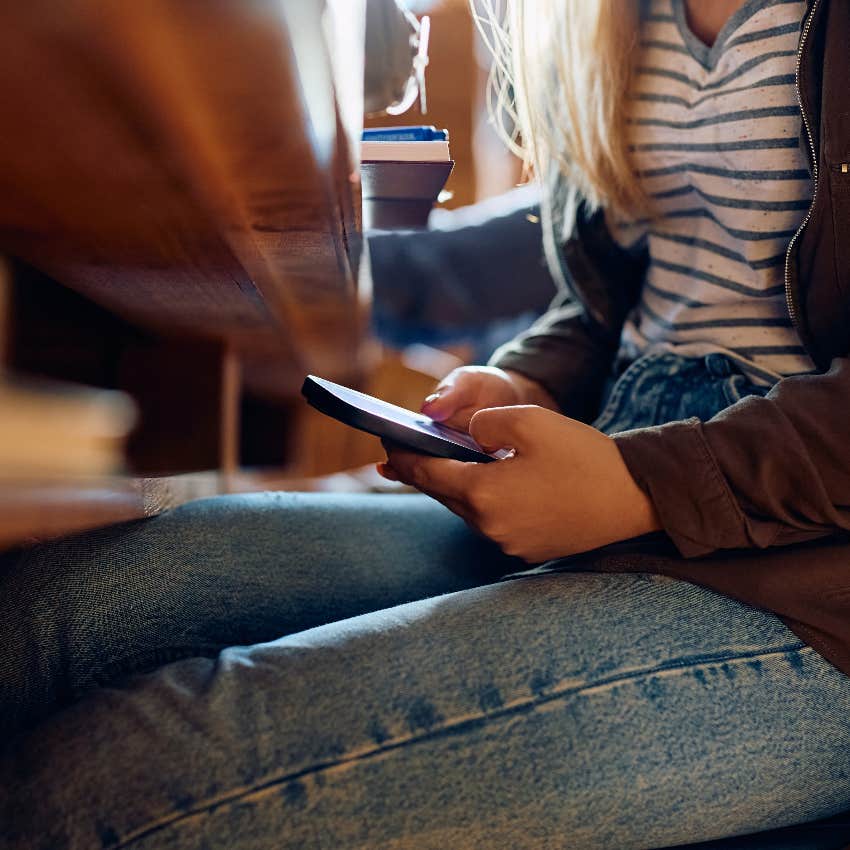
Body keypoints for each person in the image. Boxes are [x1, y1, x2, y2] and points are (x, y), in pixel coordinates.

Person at [2, 1, 850, 848]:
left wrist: (646, 486)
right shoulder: (620, 20)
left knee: (96, 789)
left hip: (806, 587)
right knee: (52, 617)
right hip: (627, 474)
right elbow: (624, 298)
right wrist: (526, 381)